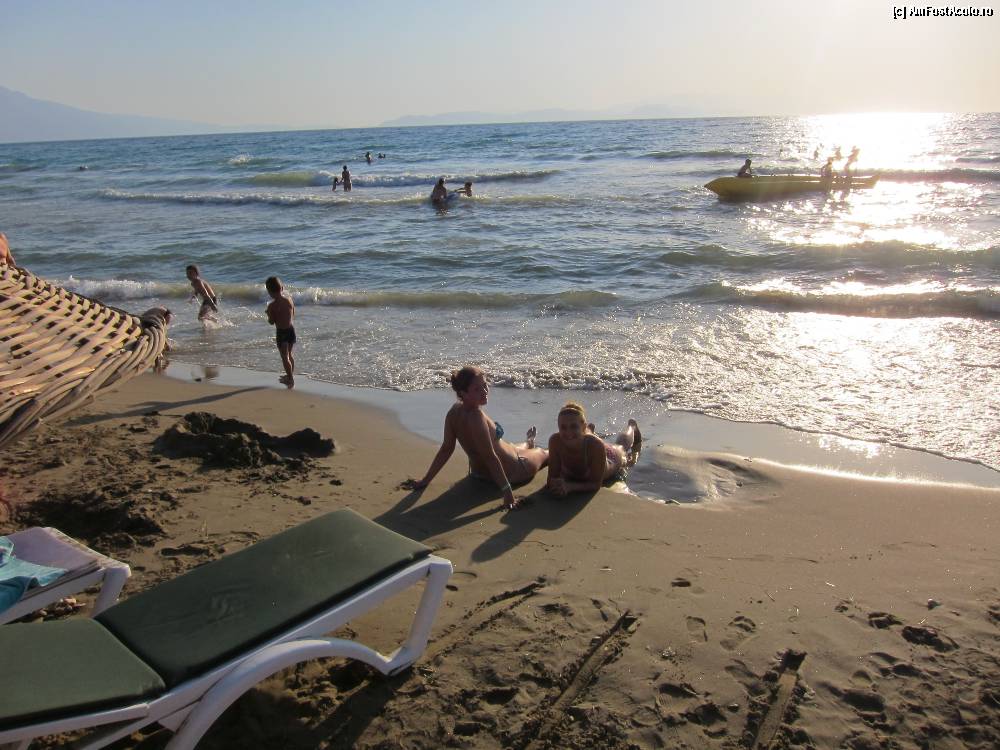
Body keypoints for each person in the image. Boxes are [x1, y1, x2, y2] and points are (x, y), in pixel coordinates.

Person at [410, 366, 549, 510]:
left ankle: (528, 442)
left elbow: (446, 449)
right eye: (477, 389)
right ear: (462, 393)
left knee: (514, 446)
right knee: (545, 453)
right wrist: (507, 492)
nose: (485, 391)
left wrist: (425, 480)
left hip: (480, 474)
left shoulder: (454, 412)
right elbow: (490, 457)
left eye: (485, 385)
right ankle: (530, 444)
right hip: (515, 469)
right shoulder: (476, 417)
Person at [546, 402, 640, 498]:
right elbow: (552, 478)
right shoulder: (555, 441)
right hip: (589, 444)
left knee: (621, 447)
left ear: (583, 426)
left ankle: (632, 426)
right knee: (579, 437)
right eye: (563, 427)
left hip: (610, 457)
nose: (568, 432)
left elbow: (595, 484)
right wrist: (556, 485)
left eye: (573, 426)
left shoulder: (596, 445)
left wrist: (569, 487)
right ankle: (590, 430)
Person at [265, 276, 296, 388]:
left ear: (269, 292)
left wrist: (268, 314)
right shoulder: (289, 300)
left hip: (282, 333)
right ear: (282, 288)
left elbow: (271, 322)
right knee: (289, 354)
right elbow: (293, 312)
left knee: (284, 357)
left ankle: (290, 379)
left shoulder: (272, 306)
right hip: (291, 330)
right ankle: (290, 374)